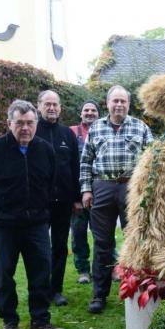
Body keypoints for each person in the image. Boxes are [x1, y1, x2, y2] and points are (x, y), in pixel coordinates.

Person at [0, 99, 67, 329]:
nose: (25, 128)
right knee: (4, 274)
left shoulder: (45, 150)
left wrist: (39, 211)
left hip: (36, 224)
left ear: (35, 124)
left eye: (29, 123)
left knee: (40, 273)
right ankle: (9, 322)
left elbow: (50, 183)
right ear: (9, 123)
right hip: (4, 225)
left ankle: (40, 320)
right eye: (19, 123)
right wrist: (0, 210)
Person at [80, 85, 153, 314]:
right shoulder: (96, 128)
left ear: (128, 104)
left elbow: (153, 159)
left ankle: (136, 289)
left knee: (135, 240)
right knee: (102, 244)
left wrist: (148, 191)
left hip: (131, 188)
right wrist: (86, 190)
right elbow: (85, 161)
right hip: (102, 187)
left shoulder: (140, 127)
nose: (119, 105)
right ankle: (99, 295)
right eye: (115, 101)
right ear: (107, 103)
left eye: (123, 101)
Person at [35, 90, 80, 307]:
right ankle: (40, 289)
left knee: (60, 247)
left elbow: (75, 167)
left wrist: (78, 197)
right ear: (39, 106)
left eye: (55, 104)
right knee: (39, 248)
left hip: (63, 202)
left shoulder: (67, 134)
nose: (51, 108)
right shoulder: (32, 132)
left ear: (60, 108)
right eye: (47, 104)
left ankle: (56, 290)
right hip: (38, 203)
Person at [69, 100, 100, 284]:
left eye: (93, 110)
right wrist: (75, 197)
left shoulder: (105, 130)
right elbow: (70, 168)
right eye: (86, 110)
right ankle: (83, 270)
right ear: (81, 114)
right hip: (79, 197)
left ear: (98, 113)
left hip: (101, 195)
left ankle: (108, 267)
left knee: (103, 234)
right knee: (79, 235)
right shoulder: (72, 133)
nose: (89, 113)